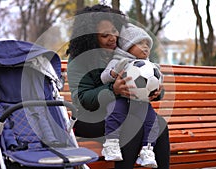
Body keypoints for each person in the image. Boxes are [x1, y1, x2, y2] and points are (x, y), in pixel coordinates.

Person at [66, 4, 170, 169]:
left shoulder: (124, 53)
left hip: (122, 112)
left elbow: (144, 80)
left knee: (160, 124)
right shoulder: (80, 60)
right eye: (104, 35)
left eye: (114, 31)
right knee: (131, 125)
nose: (112, 37)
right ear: (91, 37)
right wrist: (112, 90)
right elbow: (82, 99)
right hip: (90, 119)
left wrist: (157, 92)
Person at [100, 23, 161, 168]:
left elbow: (156, 81)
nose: (145, 46)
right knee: (115, 114)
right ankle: (111, 144)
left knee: (153, 121)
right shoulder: (119, 61)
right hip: (122, 99)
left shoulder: (148, 65)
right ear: (127, 46)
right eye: (140, 43)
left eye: (147, 44)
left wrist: (158, 86)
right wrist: (114, 72)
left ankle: (147, 150)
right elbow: (104, 77)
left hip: (141, 103)